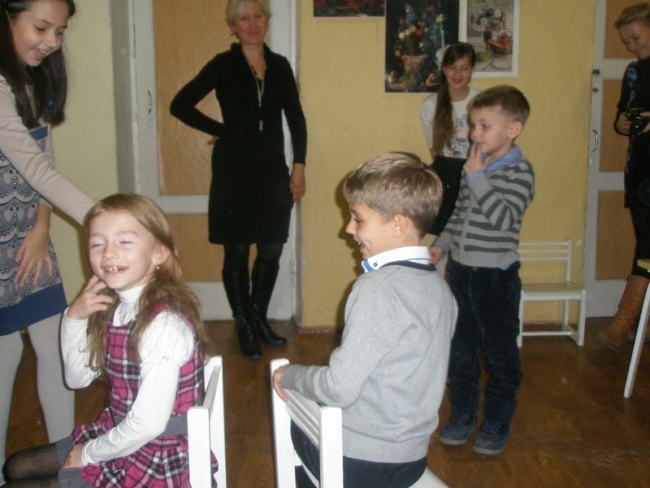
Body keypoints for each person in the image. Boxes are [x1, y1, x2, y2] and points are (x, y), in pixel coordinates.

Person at [2, 194, 217, 488]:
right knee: (15, 466)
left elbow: (148, 425)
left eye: (124, 241)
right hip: (124, 432)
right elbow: (76, 379)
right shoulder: (116, 307)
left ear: (159, 253)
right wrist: (73, 318)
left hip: (157, 453)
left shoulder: (164, 324)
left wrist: (87, 454)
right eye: (97, 243)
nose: (109, 253)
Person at [273, 152, 457, 488]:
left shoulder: (377, 288)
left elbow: (338, 389)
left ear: (397, 225)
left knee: (295, 420)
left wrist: (290, 375)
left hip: (359, 462)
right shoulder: (440, 289)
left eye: (358, 220)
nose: (348, 228)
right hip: (410, 460)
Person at [170, 0, 308, 359]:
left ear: (267, 21)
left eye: (258, 16)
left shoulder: (280, 66)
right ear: (233, 25)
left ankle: (259, 318)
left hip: (273, 170)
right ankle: (243, 323)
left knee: (273, 246)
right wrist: (222, 130)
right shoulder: (224, 64)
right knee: (238, 250)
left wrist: (299, 165)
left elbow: (296, 118)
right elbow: (180, 104)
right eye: (244, 18)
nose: (253, 23)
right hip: (234, 170)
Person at [0, 0, 95, 475]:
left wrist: (41, 227)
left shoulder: (30, 80)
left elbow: (43, 159)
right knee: (4, 353)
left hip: (27, 237)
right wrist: (105, 220)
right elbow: (33, 168)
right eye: (41, 28)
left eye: (59, 32)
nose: (52, 42)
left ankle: (66, 465)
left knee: (57, 344)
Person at [430, 85, 533, 456]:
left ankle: (496, 421)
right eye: (473, 125)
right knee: (461, 350)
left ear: (513, 129)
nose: (475, 134)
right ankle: (462, 414)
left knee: (500, 354)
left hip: (495, 279)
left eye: (485, 126)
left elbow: (503, 220)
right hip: (460, 272)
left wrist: (476, 176)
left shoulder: (519, 172)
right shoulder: (475, 166)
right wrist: (442, 243)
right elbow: (458, 214)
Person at [596, 3, 650, 352]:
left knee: (647, 248)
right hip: (640, 171)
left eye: (636, 38)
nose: (631, 46)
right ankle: (637, 323)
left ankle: (625, 321)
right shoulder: (633, 72)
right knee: (645, 244)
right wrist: (624, 123)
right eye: (626, 41)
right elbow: (620, 119)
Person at [419, 42, 478, 160]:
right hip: (445, 168)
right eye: (452, 67)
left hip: (478, 168)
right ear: (444, 69)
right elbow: (434, 152)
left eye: (464, 68)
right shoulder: (430, 105)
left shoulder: (481, 100)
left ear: (472, 69)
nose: (457, 74)